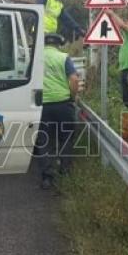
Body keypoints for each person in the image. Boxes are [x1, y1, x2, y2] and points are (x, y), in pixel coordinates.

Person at [37, 33, 80, 190]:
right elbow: (74, 80)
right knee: (66, 138)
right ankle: (65, 172)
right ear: (58, 44)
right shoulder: (63, 57)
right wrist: (73, 97)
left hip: (42, 106)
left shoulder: (36, 58)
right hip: (63, 104)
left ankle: (47, 178)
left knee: (44, 141)